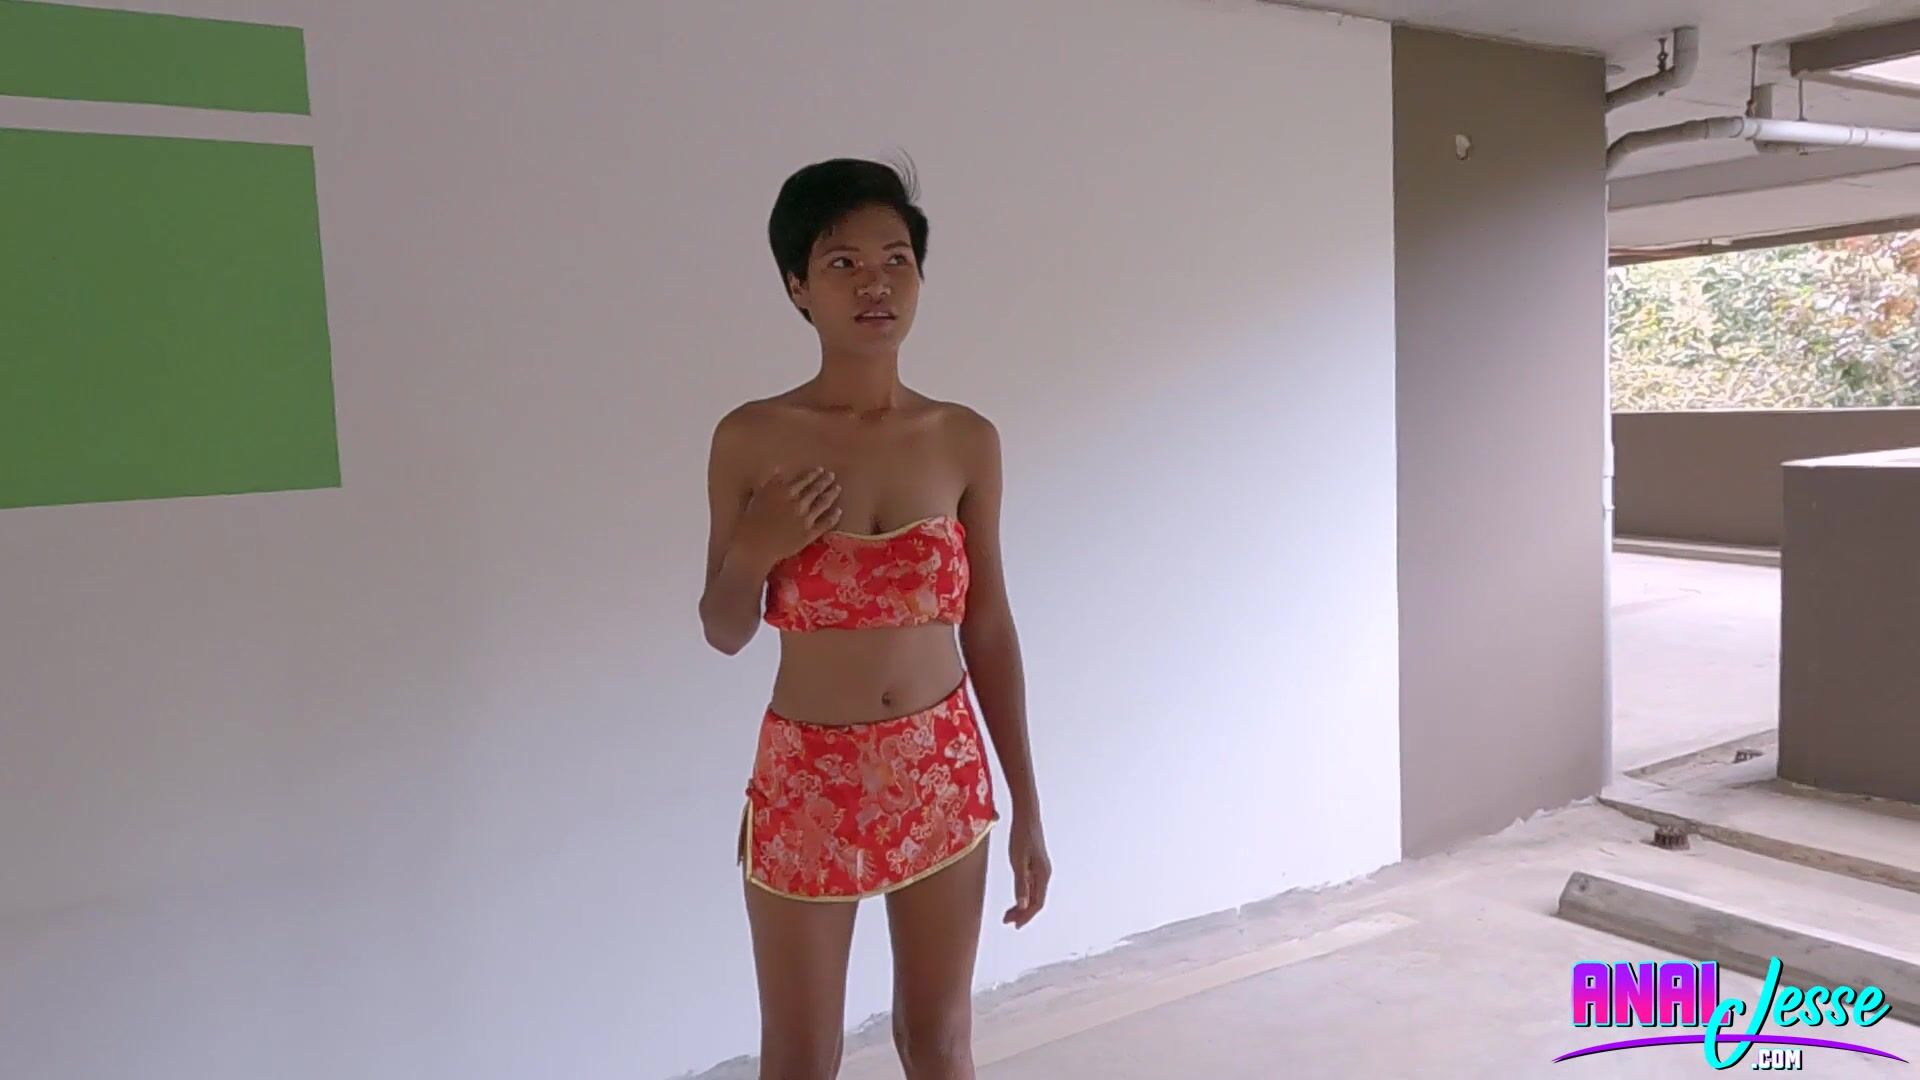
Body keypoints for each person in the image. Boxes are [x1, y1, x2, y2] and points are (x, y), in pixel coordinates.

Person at [698, 157, 1051, 1080]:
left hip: (941, 768)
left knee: (938, 1042)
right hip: (807, 776)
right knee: (801, 1058)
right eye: (843, 264)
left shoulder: (964, 439)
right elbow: (723, 629)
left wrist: (1026, 803)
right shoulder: (752, 439)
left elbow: (989, 628)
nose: (875, 284)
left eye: (896, 260)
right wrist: (757, 548)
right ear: (797, 287)